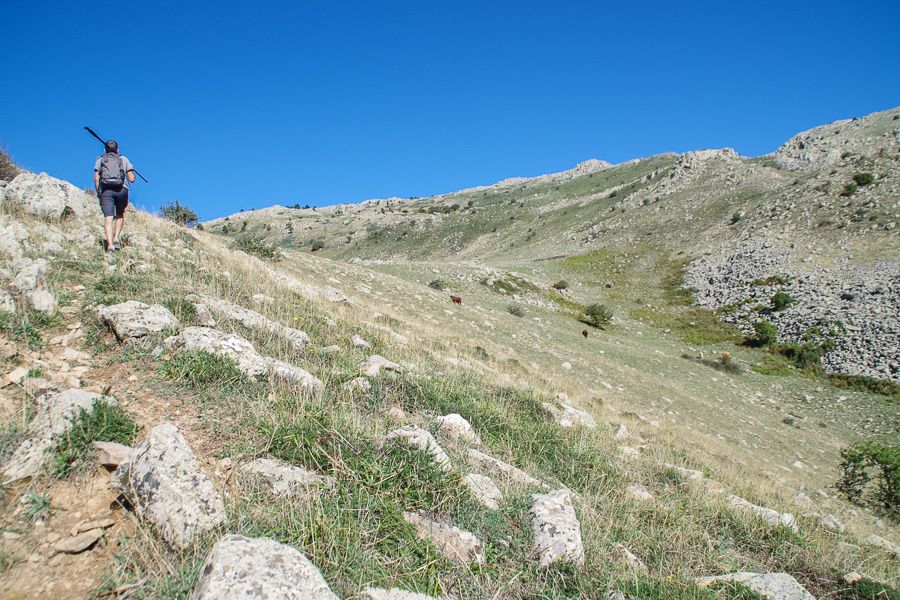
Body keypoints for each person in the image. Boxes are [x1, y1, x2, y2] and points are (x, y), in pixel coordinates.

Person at [94, 140, 135, 252]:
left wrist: (99, 192)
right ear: (117, 150)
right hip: (122, 190)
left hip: (107, 190)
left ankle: (110, 245)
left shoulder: (100, 159)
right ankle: (116, 238)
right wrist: (131, 170)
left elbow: (96, 178)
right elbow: (132, 179)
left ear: (105, 150)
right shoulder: (123, 159)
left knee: (108, 217)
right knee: (120, 214)